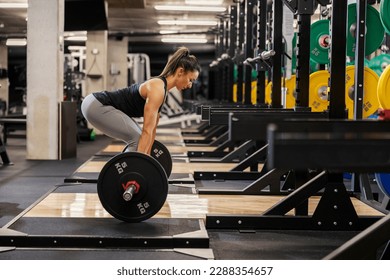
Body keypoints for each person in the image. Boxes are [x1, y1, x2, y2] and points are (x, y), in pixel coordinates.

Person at [81, 47, 201, 155]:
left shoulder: (163, 90)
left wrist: (148, 158)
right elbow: (147, 131)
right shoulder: (157, 88)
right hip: (97, 105)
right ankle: (127, 175)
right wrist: (142, 163)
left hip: (98, 104)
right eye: (191, 80)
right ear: (180, 72)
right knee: (137, 138)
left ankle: (132, 169)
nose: (190, 85)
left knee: (139, 137)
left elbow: (152, 130)